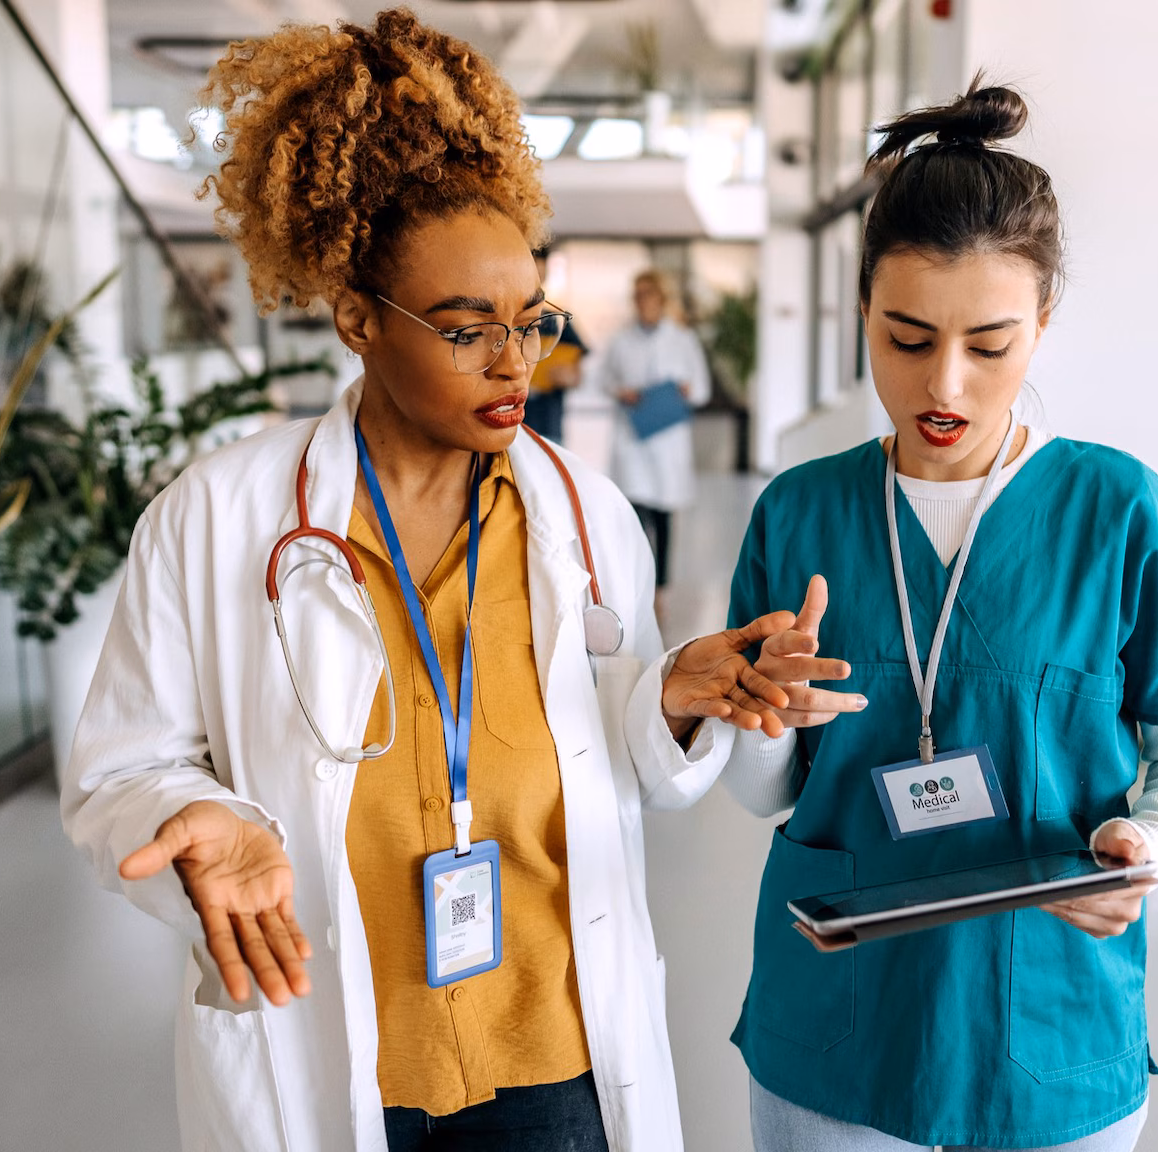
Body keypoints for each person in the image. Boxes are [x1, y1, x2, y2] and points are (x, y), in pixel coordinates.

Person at [60, 13, 808, 1151]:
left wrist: (663, 704)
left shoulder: (585, 516)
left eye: (531, 323)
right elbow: (124, 764)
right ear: (357, 318)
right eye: (466, 331)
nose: (516, 364)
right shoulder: (215, 519)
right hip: (337, 1045)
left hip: (550, 1042)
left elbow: (623, 774)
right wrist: (193, 812)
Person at [663, 82, 1158, 1151]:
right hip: (837, 1022)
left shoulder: (1115, 510)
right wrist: (766, 720)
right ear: (861, 314)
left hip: (1045, 1013)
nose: (942, 383)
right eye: (903, 338)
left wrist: (1145, 841)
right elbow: (764, 797)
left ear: (1041, 325)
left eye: (988, 346)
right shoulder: (799, 512)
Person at [595, 270, 710, 588]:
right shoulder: (620, 339)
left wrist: (687, 391)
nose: (642, 301)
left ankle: (660, 587)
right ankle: (637, 584)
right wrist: (622, 391)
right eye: (637, 295)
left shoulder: (682, 339)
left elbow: (702, 389)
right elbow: (603, 380)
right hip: (632, 438)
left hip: (667, 440)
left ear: (661, 298)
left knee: (663, 517)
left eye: (647, 294)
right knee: (634, 515)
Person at [521, 247, 586, 443]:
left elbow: (577, 373)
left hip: (548, 425)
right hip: (511, 426)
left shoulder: (556, 319)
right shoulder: (505, 319)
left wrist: (568, 376)